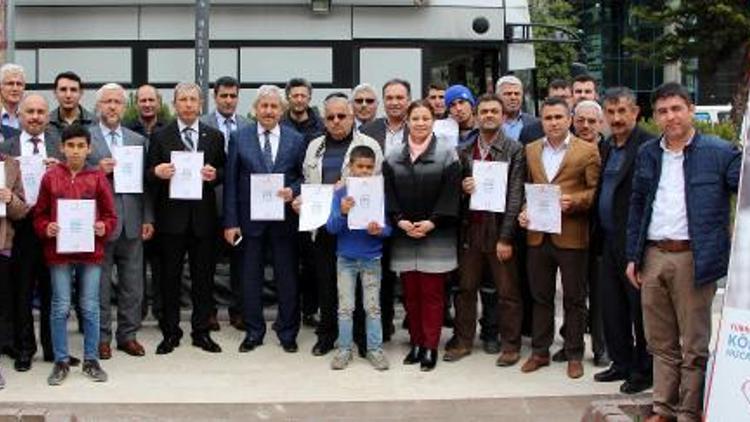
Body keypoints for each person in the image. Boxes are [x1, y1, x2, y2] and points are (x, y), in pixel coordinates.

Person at [626, 82, 740, 422]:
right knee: (660, 343)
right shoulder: (648, 153)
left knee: (693, 344)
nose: (670, 116)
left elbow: (743, 187)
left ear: (690, 109)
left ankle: (688, 412)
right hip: (653, 255)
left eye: (676, 108)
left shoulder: (720, 152)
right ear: (654, 117)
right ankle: (663, 408)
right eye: (662, 111)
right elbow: (637, 206)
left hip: (694, 258)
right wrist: (633, 256)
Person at [518, 96, 601, 380]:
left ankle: (574, 352)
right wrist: (523, 211)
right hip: (538, 234)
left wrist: (574, 202)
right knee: (540, 296)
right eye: (548, 117)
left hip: (571, 235)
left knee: (574, 298)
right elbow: (524, 188)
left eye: (558, 117)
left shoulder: (587, 151)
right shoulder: (530, 150)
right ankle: (540, 351)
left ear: (569, 120)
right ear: (542, 120)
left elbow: (594, 192)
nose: (553, 122)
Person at [296, 93, 383, 357]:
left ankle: (361, 338)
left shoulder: (369, 145)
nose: (336, 121)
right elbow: (306, 181)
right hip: (323, 225)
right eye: (330, 117)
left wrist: (343, 189)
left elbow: (374, 183)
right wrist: (302, 199)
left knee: (356, 288)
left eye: (341, 116)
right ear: (324, 119)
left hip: (356, 228)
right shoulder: (314, 146)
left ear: (352, 116)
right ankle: (327, 335)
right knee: (326, 284)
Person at [444, 93, 525, 366]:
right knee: (465, 288)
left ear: (503, 117)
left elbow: (515, 195)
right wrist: (462, 188)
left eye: (494, 111)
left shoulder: (514, 149)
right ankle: (463, 340)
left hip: (499, 229)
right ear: (477, 116)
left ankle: (511, 345)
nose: (489, 115)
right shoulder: (463, 151)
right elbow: (452, 193)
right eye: (484, 111)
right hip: (471, 229)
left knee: (507, 291)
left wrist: (506, 236)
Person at [224, 85, 305, 354]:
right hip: (249, 221)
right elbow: (232, 182)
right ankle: (254, 331)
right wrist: (230, 222)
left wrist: (293, 190)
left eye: (274, 107)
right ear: (255, 109)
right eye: (264, 106)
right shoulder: (239, 137)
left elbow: (303, 177)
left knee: (288, 277)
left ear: (282, 110)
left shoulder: (295, 139)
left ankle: (287, 331)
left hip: (285, 221)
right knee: (250, 278)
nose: (269, 111)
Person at [33, 124, 117, 386]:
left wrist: (104, 227)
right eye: (71, 146)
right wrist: (47, 227)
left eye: (81, 146)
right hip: (59, 252)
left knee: (90, 306)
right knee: (60, 306)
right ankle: (60, 361)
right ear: (62, 148)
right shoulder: (50, 177)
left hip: (91, 252)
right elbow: (40, 215)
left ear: (89, 148)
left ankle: (91, 360)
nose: (76, 151)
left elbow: (110, 216)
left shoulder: (96, 177)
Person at [146, 82, 226, 355]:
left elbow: (224, 169)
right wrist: (157, 172)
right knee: (170, 279)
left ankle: (201, 331)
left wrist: (216, 175)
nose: (189, 104)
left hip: (203, 220)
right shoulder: (160, 136)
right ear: (175, 103)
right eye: (183, 100)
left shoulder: (214, 137)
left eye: (193, 100)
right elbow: (146, 175)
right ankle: (170, 332)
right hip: (171, 220)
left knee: (204, 279)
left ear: (201, 104)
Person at [383, 100, 461, 371]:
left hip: (435, 235)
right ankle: (415, 343)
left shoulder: (448, 153)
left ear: (433, 121)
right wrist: (399, 220)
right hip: (404, 235)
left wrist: (433, 221)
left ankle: (429, 346)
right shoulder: (393, 155)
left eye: (425, 118)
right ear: (407, 121)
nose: (420, 123)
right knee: (410, 295)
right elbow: (388, 193)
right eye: (415, 118)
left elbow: (451, 193)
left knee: (432, 295)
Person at [0, 94, 68, 371]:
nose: (36, 116)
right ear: (22, 116)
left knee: (55, 291)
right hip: (22, 227)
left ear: (47, 116)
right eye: (30, 111)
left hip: (54, 226)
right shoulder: (7, 146)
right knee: (23, 290)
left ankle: (54, 350)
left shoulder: (59, 145)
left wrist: (60, 172)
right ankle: (24, 349)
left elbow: (74, 183)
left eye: (41, 111)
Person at [592, 87, 653, 394]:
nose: (616, 118)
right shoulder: (606, 147)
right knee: (612, 307)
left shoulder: (648, 146)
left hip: (633, 244)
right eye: (611, 112)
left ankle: (643, 370)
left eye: (622, 112)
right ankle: (621, 362)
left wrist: (638, 250)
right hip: (607, 240)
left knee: (639, 310)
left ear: (635, 112)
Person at [88, 83, 153, 360]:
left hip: (133, 221)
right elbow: (73, 176)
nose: (112, 106)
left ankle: (128, 335)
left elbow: (146, 184)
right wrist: (95, 170)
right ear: (98, 106)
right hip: (100, 224)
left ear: (125, 107)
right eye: (107, 102)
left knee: (132, 284)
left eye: (117, 102)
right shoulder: (87, 139)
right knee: (99, 286)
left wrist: (148, 217)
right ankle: (101, 338)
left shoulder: (136, 140)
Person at [327, 145, 391, 370]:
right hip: (345, 259)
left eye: (369, 167)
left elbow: (389, 230)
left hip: (372, 258)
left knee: (372, 308)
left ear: (375, 169)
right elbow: (331, 228)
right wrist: (343, 213)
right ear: (350, 167)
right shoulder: (339, 194)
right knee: (345, 308)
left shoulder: (380, 193)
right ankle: (344, 349)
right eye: (360, 166)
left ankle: (375, 349)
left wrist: (379, 230)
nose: (364, 171)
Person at [201, 76, 252, 331]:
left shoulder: (248, 126)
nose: (229, 100)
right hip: (208, 206)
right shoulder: (201, 124)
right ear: (215, 96)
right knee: (207, 262)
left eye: (233, 96)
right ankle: (208, 311)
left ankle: (239, 311)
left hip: (241, 209)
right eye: (224, 96)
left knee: (240, 261)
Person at [0, 147, 30, 390]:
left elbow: (21, 211)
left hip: (3, 246)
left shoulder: (11, 165)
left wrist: (10, 199)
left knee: (4, 305)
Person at [496, 75, 544, 145]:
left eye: (517, 94)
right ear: (497, 97)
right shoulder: (489, 123)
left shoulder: (535, 123)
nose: (513, 97)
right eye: (508, 94)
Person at [48, 71, 96, 136]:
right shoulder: (45, 124)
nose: (68, 95)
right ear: (55, 93)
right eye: (63, 89)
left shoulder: (95, 123)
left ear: (81, 93)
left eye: (73, 90)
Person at [0, 63, 26, 131]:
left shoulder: (29, 117)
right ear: (1, 87)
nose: (15, 89)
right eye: (10, 84)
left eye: (19, 84)